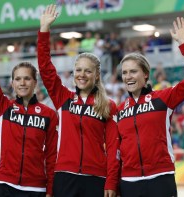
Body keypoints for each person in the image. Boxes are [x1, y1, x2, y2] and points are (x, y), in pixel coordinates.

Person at [117, 17, 184, 197]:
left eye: (133, 71)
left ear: (146, 75)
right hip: (128, 181)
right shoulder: (119, 110)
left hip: (161, 177)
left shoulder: (163, 98)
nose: (128, 77)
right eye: (124, 73)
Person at [0, 12, 58, 197]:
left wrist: (50, 190)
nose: (22, 83)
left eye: (27, 78)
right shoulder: (4, 107)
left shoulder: (49, 115)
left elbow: (52, 157)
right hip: (5, 185)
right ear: (12, 83)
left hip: (36, 188)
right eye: (18, 79)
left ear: (35, 82)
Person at [38, 5, 120, 197]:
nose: (82, 75)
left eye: (88, 71)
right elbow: (45, 68)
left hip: (96, 178)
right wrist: (44, 30)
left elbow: (114, 147)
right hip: (64, 176)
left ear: (97, 75)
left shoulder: (108, 106)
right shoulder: (63, 98)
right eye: (79, 70)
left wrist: (111, 181)